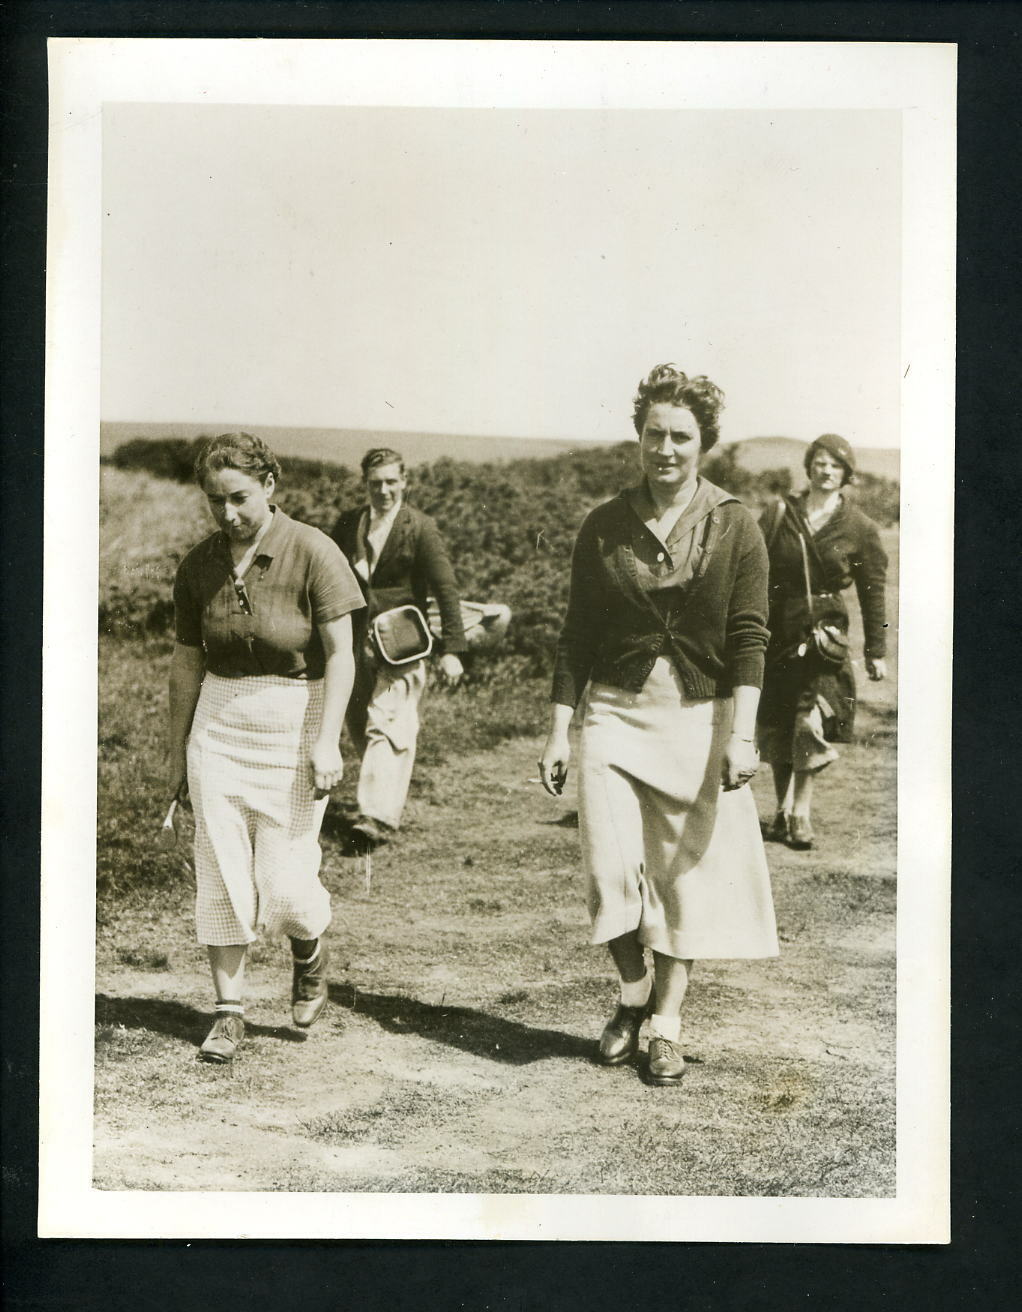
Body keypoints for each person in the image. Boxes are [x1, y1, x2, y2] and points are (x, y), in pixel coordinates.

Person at [539, 364, 779, 1087]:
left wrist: (742, 732)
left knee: (683, 878)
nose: (665, 448)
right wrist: (557, 729)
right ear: (637, 437)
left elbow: (749, 638)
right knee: (609, 869)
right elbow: (575, 635)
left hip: (699, 719)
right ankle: (631, 992)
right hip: (614, 712)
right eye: (654, 434)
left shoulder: (737, 524)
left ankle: (666, 1024)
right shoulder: (605, 525)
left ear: (705, 443)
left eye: (680, 436)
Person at [168, 433, 365, 1062]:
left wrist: (328, 737)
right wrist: (176, 758)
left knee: (284, 883)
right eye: (214, 501)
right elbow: (184, 664)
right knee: (221, 871)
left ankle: (309, 948)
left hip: (294, 721)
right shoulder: (199, 564)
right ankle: (229, 1013)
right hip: (218, 724)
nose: (227, 514)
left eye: (239, 498)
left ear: (270, 486)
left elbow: (342, 656)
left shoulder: (313, 550)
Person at [756, 434, 888, 851]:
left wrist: (876, 650)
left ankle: (801, 812)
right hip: (779, 630)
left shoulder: (860, 528)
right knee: (778, 721)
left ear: (846, 474)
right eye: (819, 462)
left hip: (824, 636)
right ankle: (780, 811)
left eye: (835, 465)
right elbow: (754, 570)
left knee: (810, 719)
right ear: (808, 467)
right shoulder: (780, 513)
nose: (825, 470)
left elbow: (873, 591)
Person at [331, 448, 467, 850]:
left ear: (404, 482)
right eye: (376, 483)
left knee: (388, 724)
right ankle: (381, 799)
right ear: (365, 484)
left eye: (392, 482)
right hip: (354, 645)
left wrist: (453, 650)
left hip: (403, 646)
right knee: (360, 724)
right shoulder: (348, 524)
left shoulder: (421, 528)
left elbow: (446, 589)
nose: (384, 491)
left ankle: (374, 818)